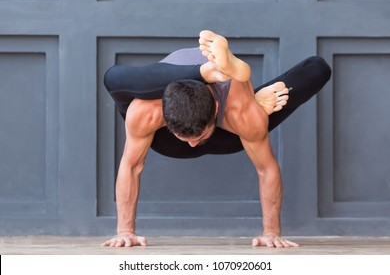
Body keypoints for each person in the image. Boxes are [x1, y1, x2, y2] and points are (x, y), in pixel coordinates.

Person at [101, 30, 331, 248]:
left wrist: (271, 232)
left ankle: (244, 98)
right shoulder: (147, 112)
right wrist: (125, 231)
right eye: (187, 138)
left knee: (317, 69)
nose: (192, 144)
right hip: (165, 137)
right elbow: (131, 166)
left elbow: (266, 169)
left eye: (196, 137)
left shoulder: (239, 113)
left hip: (227, 132)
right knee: (113, 79)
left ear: (217, 108)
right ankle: (209, 74)